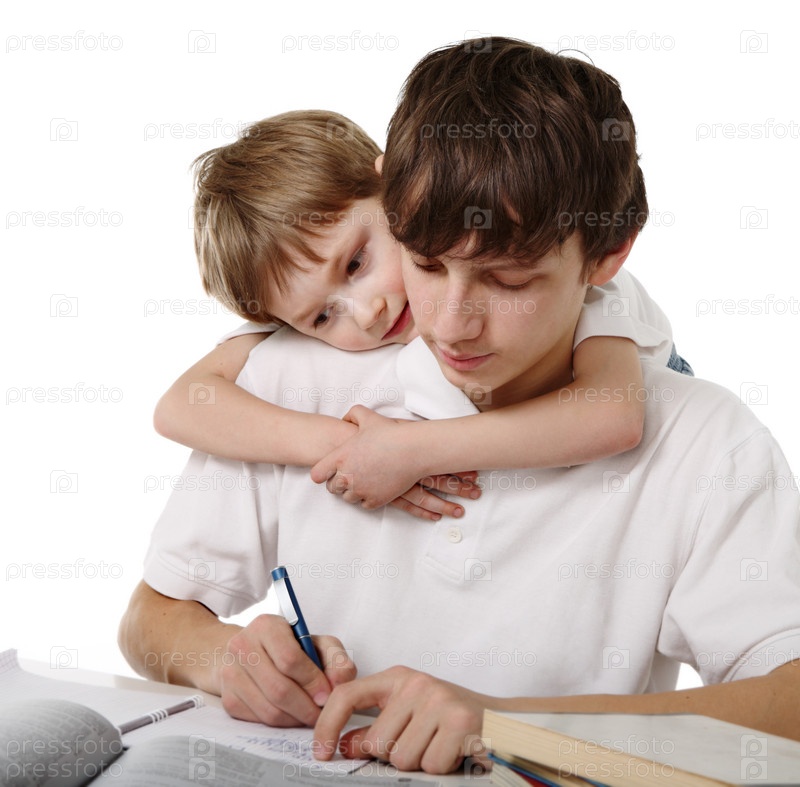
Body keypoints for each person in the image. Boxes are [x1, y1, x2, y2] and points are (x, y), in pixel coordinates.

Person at [120, 38, 800, 775]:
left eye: (508, 281)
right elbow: (149, 620)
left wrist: (511, 727)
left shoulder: (708, 442)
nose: (449, 324)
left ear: (608, 255)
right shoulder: (289, 384)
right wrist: (224, 657)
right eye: (424, 261)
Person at [153, 109, 690, 518]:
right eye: (321, 319)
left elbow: (612, 416)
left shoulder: (572, 281)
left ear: (395, 192)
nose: (367, 313)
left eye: (357, 263)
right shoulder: (306, 307)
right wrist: (346, 447)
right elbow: (181, 405)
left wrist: (412, 452)